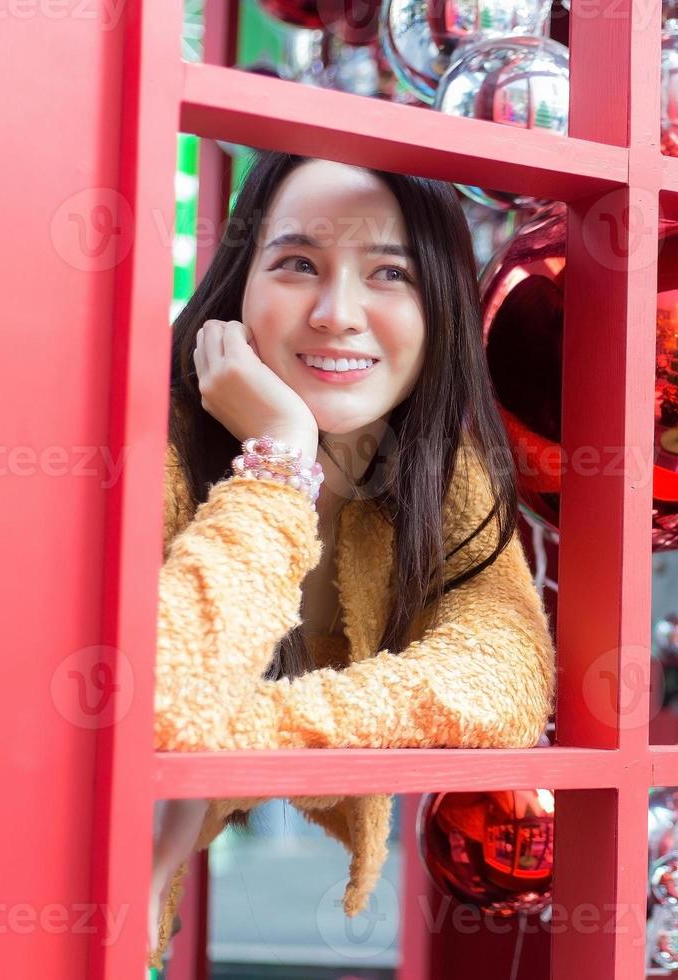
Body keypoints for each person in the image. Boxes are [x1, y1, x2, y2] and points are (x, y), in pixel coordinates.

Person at [145, 150, 556, 972]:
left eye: (389, 273)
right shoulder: (145, 440)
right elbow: (158, 699)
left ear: (440, 301)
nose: (337, 313)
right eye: (298, 263)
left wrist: (244, 734)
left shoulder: (439, 469)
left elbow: (504, 676)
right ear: (238, 286)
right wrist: (281, 461)